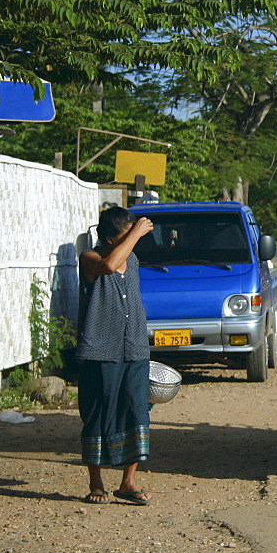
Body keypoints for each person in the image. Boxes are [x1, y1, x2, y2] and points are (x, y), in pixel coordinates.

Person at [76, 207, 155, 505]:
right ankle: (96, 484)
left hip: (133, 346)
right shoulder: (90, 259)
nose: (133, 241)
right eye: (126, 236)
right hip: (100, 349)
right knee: (98, 412)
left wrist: (133, 237)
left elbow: (122, 261)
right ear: (109, 238)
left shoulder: (131, 259)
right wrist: (136, 231)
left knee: (137, 411)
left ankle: (128, 482)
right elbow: (109, 265)